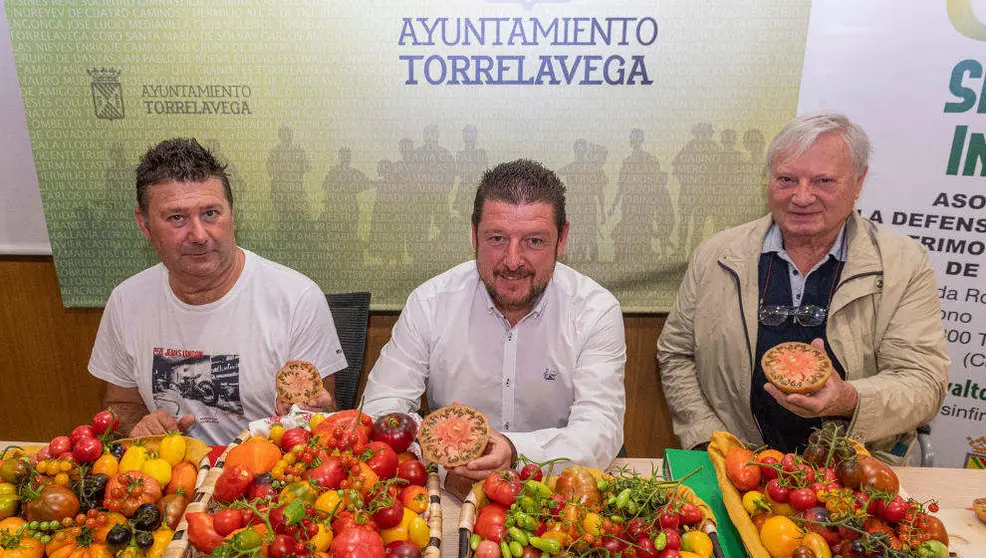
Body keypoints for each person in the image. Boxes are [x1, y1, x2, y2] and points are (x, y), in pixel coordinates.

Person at [657, 112, 948, 464]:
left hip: (855, 469)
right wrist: (708, 439)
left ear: (858, 183)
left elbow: (923, 381)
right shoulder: (717, 255)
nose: (802, 196)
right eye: (786, 179)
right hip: (739, 465)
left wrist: (850, 398)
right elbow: (677, 354)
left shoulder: (903, 263)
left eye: (824, 180)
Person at [363, 159, 627, 480]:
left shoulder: (595, 310)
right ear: (474, 235)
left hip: (554, 489)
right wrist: (442, 443)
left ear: (562, 239)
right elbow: (379, 409)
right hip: (450, 483)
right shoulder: (430, 303)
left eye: (534, 241)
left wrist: (513, 451)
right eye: (497, 239)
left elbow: (600, 428)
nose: (513, 261)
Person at [89, 138, 348, 445]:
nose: (199, 235)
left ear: (232, 215)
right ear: (144, 225)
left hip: (266, 477)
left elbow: (325, 414)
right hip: (169, 476)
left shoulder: (297, 298)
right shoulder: (126, 301)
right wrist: (139, 425)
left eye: (211, 213)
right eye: (177, 218)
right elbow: (121, 406)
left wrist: (310, 413)